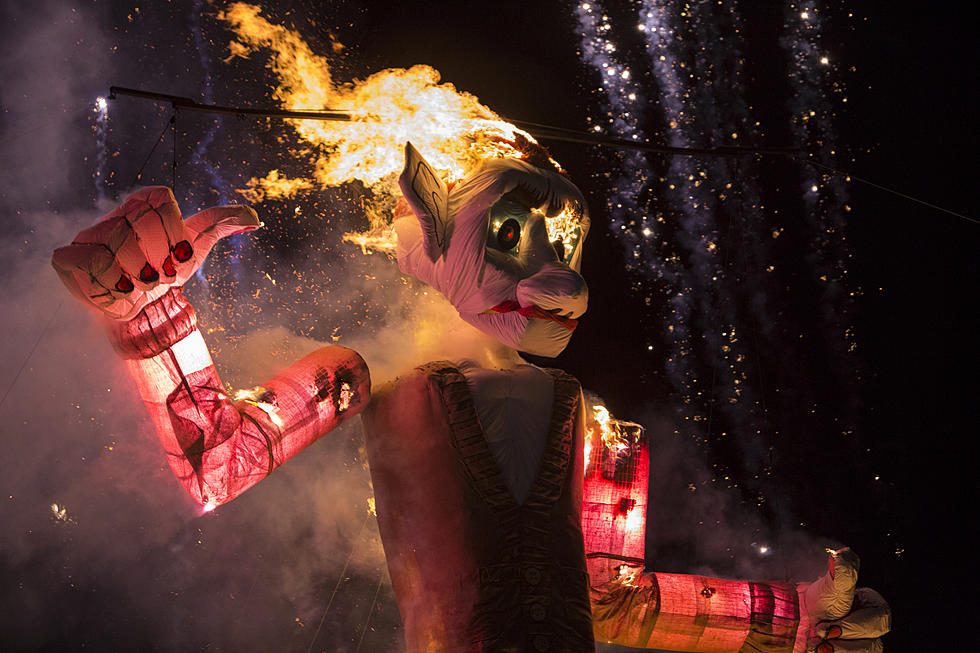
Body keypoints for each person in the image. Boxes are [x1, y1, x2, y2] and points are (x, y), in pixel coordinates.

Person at [52, 144, 889, 652]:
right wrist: (147, 308)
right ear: (440, 239)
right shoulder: (365, 379)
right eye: (515, 238)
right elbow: (216, 465)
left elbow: (612, 598)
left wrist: (794, 621)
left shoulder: (596, 429)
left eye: (565, 243)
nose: (558, 280)